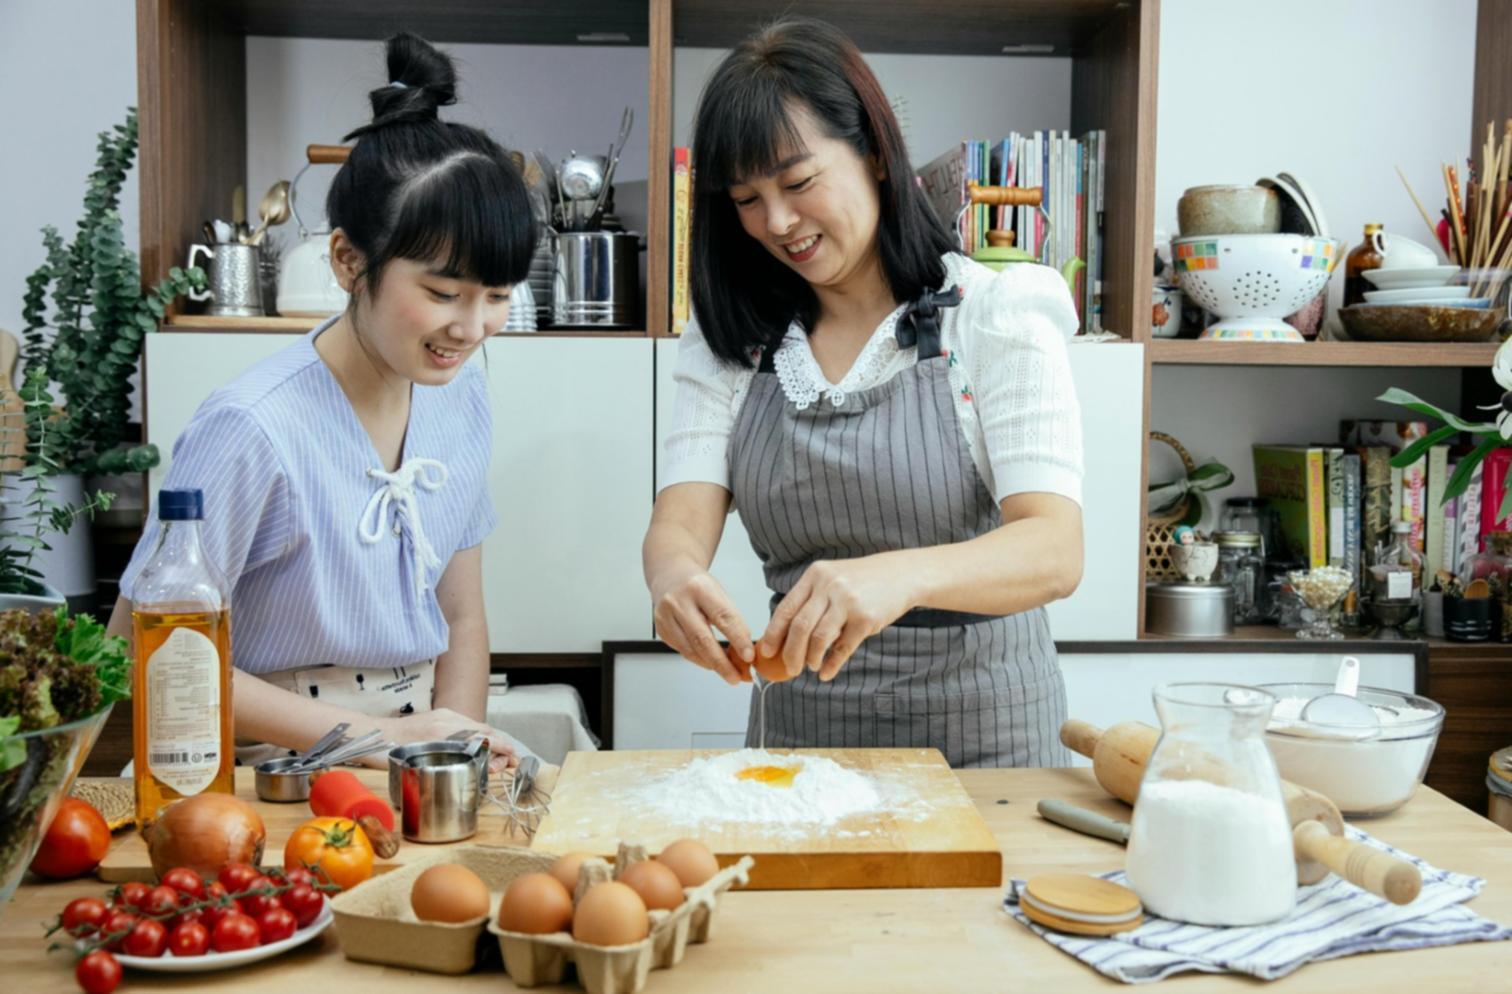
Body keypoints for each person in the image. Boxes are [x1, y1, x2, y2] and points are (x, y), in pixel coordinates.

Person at [641, 18, 1085, 768]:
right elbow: (678, 524)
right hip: (801, 749)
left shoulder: (995, 313)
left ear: (875, 153)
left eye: (799, 182)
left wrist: (899, 575)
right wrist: (673, 577)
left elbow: (1055, 550)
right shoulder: (732, 341)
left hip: (987, 747)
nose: (777, 222)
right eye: (746, 199)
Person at [107, 32, 537, 772]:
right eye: (442, 293)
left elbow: (462, 617)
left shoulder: (460, 396)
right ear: (348, 260)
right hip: (264, 771)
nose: (471, 329)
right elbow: (138, 652)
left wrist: (450, 755)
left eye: (497, 297)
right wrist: (372, 739)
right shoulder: (251, 427)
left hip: (414, 760)